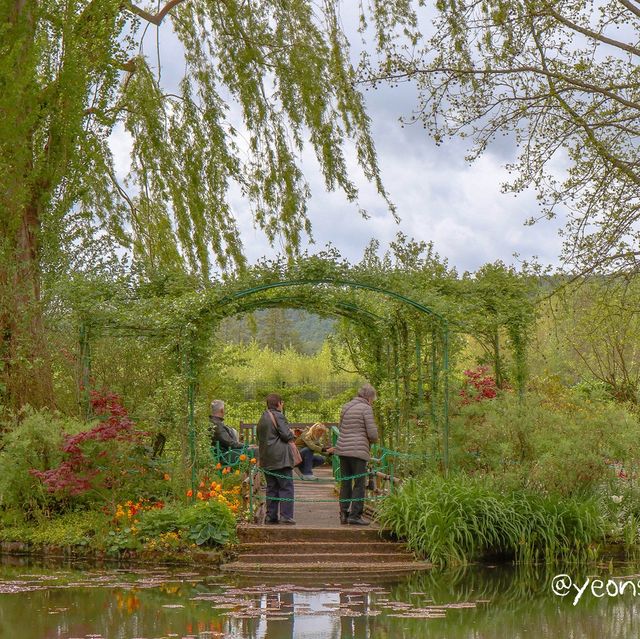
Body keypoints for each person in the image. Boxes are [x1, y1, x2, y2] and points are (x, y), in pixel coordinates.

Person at [334, 384, 379, 526]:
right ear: (369, 397)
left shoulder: (346, 407)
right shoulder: (366, 408)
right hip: (358, 451)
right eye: (373, 399)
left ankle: (343, 513)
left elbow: (341, 428)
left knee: (346, 482)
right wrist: (374, 439)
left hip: (343, 450)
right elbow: (372, 434)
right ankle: (355, 515)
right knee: (359, 484)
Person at [256, 393, 296, 525]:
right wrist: (292, 433)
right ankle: (286, 516)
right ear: (278, 403)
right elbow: (286, 435)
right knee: (286, 487)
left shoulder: (262, 418)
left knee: (272, 487)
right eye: (282, 403)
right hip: (280, 458)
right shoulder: (278, 416)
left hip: (266, 458)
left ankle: (271, 516)